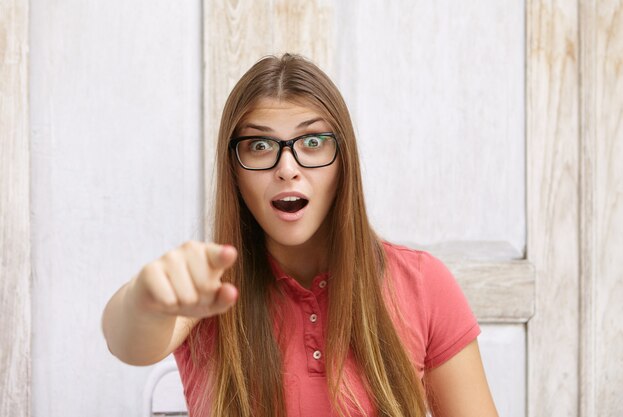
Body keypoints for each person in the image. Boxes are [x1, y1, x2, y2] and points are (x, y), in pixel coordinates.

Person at [102, 53, 498, 417]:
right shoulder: (208, 290)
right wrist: (144, 298)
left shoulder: (422, 283)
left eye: (312, 142)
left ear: (344, 161)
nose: (287, 167)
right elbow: (128, 342)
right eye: (259, 145)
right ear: (234, 173)